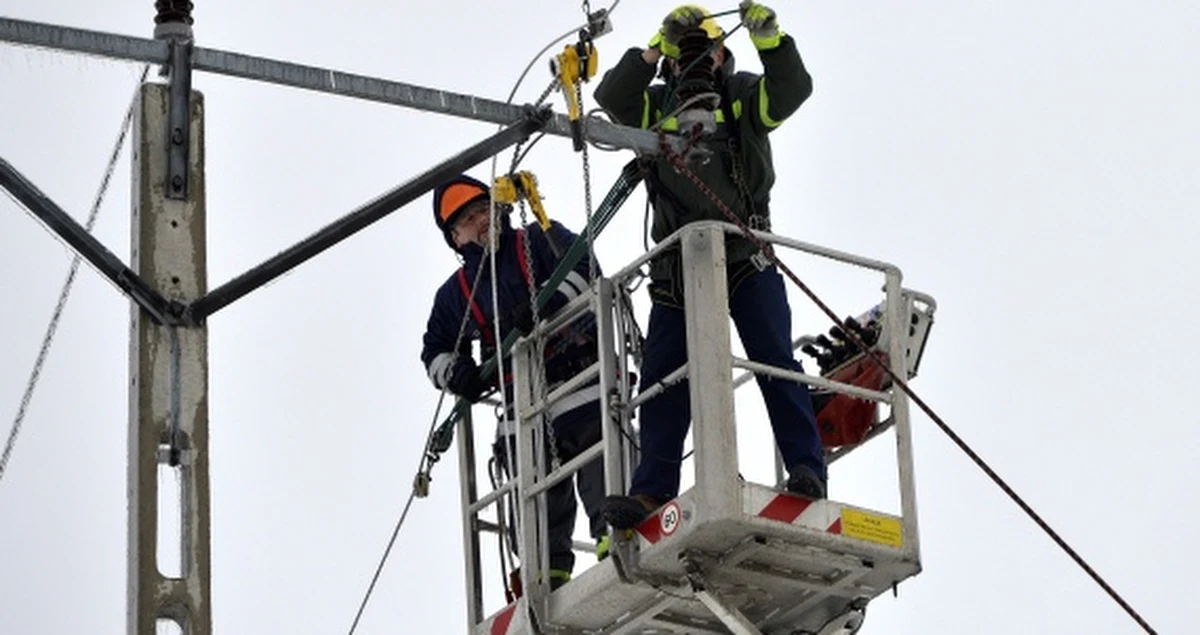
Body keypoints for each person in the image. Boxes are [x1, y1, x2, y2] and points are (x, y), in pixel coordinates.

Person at [593, 3, 827, 530]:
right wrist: (655, 46)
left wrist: (771, 40)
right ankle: (651, 491)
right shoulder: (658, 104)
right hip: (678, 263)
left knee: (772, 359)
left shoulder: (742, 96)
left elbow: (791, 90)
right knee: (664, 379)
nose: (698, 61)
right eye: (688, 53)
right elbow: (612, 98)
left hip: (745, 253)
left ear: (725, 55)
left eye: (709, 49)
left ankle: (807, 469)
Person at [420, 174, 607, 587]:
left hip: (583, 383)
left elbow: (585, 266)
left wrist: (551, 301)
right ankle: (545, 577)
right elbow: (435, 350)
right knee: (534, 495)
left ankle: (617, 537)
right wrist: (458, 374)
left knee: (602, 467)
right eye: (468, 219)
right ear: (455, 238)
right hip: (522, 410)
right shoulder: (456, 295)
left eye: (483, 208)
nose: (480, 220)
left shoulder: (539, 238)